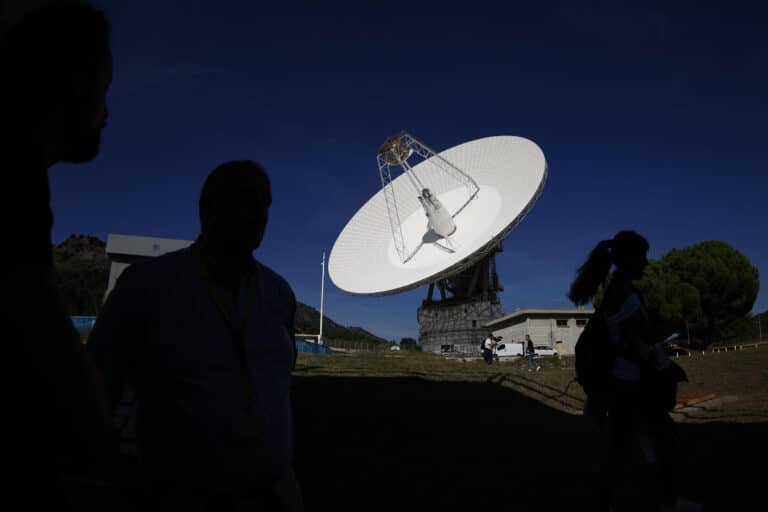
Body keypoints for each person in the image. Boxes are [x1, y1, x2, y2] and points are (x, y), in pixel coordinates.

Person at [87, 161, 303, 511]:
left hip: (274, 492)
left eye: (265, 202)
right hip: (178, 494)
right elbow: (95, 390)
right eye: (243, 197)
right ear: (206, 208)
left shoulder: (279, 293)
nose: (259, 211)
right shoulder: (148, 286)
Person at [1, 1, 115, 506]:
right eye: (103, 92)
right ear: (70, 83)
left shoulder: (22, 176)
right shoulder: (10, 175)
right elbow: (44, 341)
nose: (106, 114)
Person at [568, 231, 699, 512]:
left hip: (622, 383)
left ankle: (621, 500)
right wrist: (675, 323)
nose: (645, 263)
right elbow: (641, 337)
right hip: (628, 385)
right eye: (641, 256)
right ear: (627, 258)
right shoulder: (624, 294)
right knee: (656, 441)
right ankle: (667, 502)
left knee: (626, 447)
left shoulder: (617, 291)